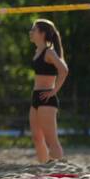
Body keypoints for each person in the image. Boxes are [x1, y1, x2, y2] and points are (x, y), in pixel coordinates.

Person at [28, 19, 69, 163]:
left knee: (52, 141)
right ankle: (44, 167)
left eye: (34, 30)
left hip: (47, 98)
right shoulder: (37, 51)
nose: (30, 32)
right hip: (36, 97)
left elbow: (63, 71)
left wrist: (53, 91)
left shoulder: (49, 52)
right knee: (37, 138)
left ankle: (59, 170)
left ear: (42, 33)